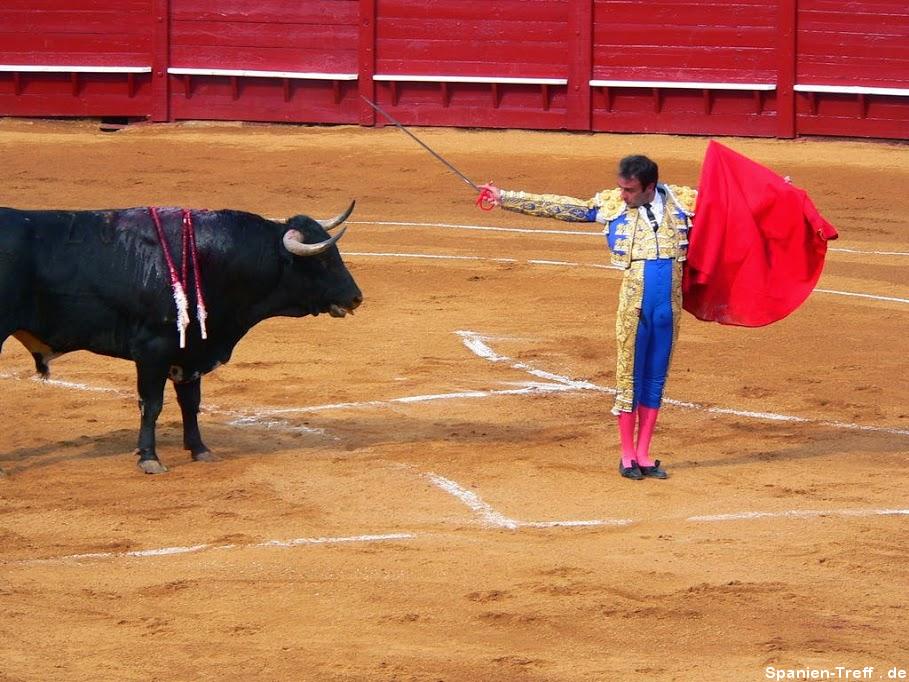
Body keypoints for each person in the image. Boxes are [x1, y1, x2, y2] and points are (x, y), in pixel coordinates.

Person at [479, 155, 697, 481]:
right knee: (629, 377)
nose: (622, 194)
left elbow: (733, 201)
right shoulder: (613, 204)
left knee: (655, 377)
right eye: (621, 187)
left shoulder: (683, 202)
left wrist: (775, 195)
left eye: (629, 189)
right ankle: (626, 454)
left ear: (649, 187)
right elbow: (566, 208)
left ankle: (644, 453)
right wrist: (506, 198)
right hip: (634, 306)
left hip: (669, 307)